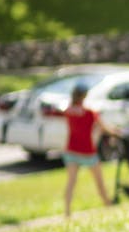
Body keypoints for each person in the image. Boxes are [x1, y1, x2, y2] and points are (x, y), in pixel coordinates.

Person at [48, 84, 118, 218]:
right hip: (87, 151)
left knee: (71, 183)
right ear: (84, 96)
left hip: (71, 150)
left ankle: (67, 213)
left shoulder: (68, 110)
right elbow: (104, 128)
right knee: (99, 182)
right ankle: (108, 206)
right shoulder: (89, 112)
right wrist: (116, 131)